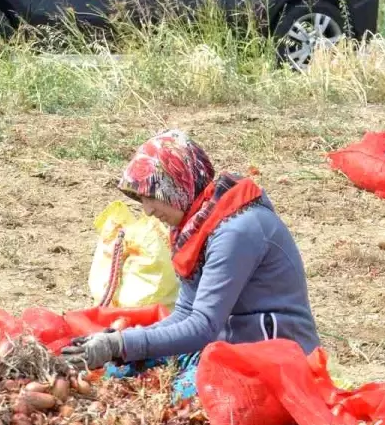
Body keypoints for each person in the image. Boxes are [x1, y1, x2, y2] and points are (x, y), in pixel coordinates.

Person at [61, 130, 320, 396]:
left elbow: (202, 326)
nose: (147, 210)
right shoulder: (196, 228)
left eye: (151, 195)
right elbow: (184, 312)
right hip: (231, 341)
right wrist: (117, 345)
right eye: (142, 200)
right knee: (121, 371)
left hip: (277, 353)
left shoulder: (236, 231)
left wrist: (120, 344)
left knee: (187, 393)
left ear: (177, 184)